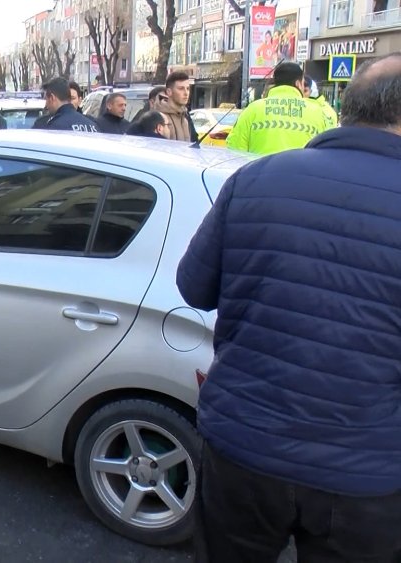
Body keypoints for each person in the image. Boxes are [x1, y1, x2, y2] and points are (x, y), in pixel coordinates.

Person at [177, 53, 401, 563]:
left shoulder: (257, 179)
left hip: (244, 448)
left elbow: (194, 287)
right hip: (364, 474)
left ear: (347, 108)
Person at [226, 62, 329, 155]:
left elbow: (235, 148)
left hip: (261, 174)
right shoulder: (316, 112)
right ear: (298, 83)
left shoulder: (253, 109)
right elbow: (324, 151)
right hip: (302, 174)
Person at [32, 77, 99, 132]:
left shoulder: (52, 127)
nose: (46, 104)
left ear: (52, 97)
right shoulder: (92, 125)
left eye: (46, 99)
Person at [155, 72, 197, 142]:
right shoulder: (159, 117)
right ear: (169, 92)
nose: (186, 93)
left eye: (188, 88)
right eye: (181, 89)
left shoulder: (185, 117)